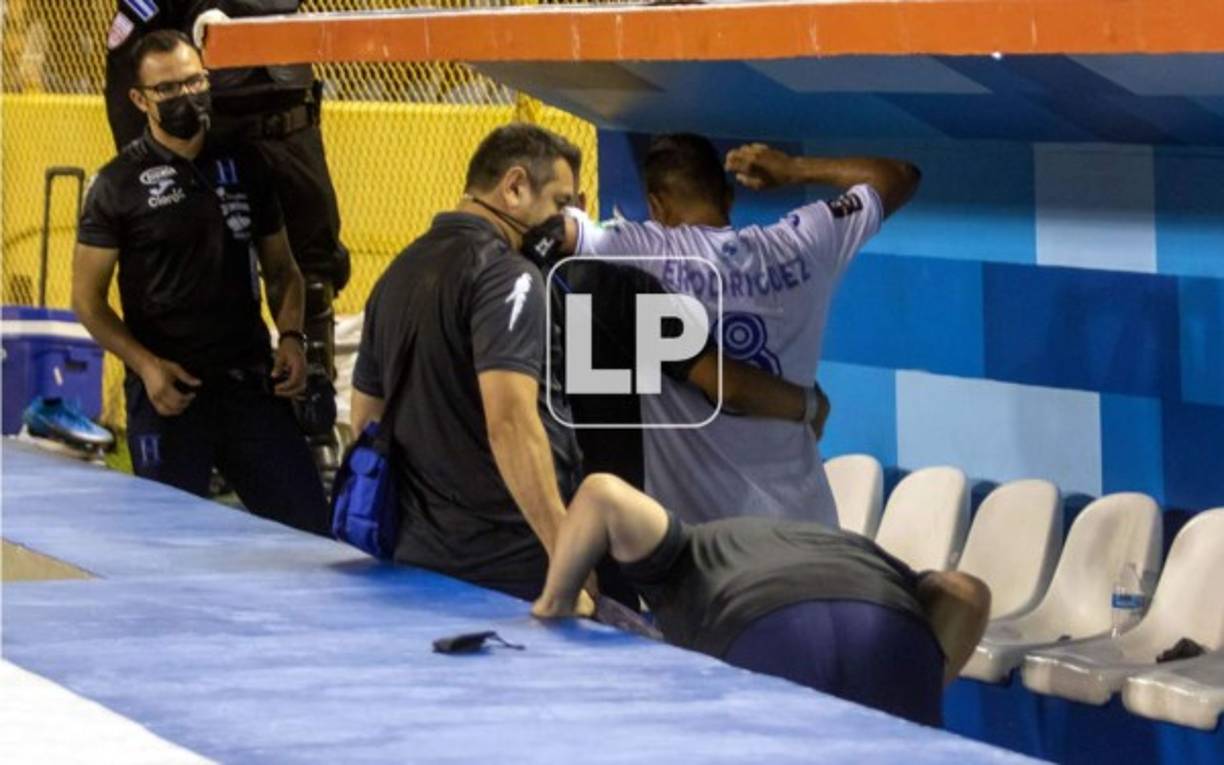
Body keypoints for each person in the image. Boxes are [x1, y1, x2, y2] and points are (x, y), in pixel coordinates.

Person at [351, 124, 828, 605]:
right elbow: (721, 382)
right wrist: (806, 404)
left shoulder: (399, 274)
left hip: (417, 555)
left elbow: (366, 421)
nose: (567, 217)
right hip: (539, 554)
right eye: (562, 203)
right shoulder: (596, 282)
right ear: (516, 188)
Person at [563, 135, 920, 526]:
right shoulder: (803, 241)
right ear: (729, 199)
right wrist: (794, 169)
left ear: (656, 206)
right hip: (804, 519)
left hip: (710, 542)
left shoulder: (642, 250)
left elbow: (549, 229)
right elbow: (899, 175)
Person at [73, 30, 329, 536]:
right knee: (167, 549)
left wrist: (293, 338)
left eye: (193, 82)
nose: (184, 97)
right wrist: (146, 367)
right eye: (167, 89)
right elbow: (87, 300)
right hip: (171, 394)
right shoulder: (116, 184)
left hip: (250, 388)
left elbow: (283, 271)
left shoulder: (246, 163)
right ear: (139, 100)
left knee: (310, 535)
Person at [104, 1, 350, 476]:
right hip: (207, 132)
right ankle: (197, 422)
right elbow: (126, 60)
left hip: (291, 128)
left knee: (314, 266)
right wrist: (144, 163)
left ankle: (315, 416)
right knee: (195, 271)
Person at [532, 473, 991, 727]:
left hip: (766, 629)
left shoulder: (686, 547)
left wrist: (556, 603)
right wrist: (916, 684)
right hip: (893, 634)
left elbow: (599, 492)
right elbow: (968, 593)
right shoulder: (849, 549)